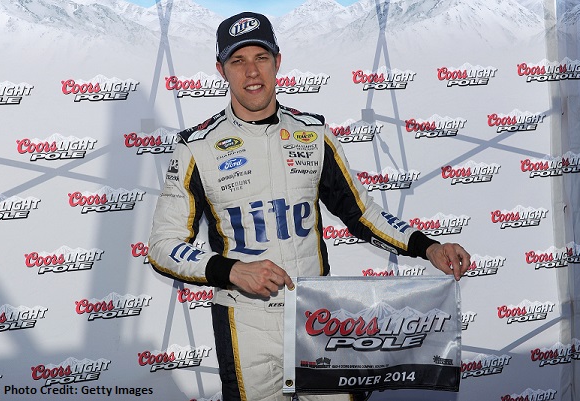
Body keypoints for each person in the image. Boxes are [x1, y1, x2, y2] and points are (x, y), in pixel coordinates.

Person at [148, 11, 471, 401]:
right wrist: (231, 270)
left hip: (316, 315)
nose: (252, 72)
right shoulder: (195, 148)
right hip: (244, 323)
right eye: (238, 60)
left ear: (277, 61)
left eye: (261, 58)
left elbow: (362, 214)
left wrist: (428, 247)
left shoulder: (313, 134)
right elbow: (162, 246)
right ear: (221, 70)